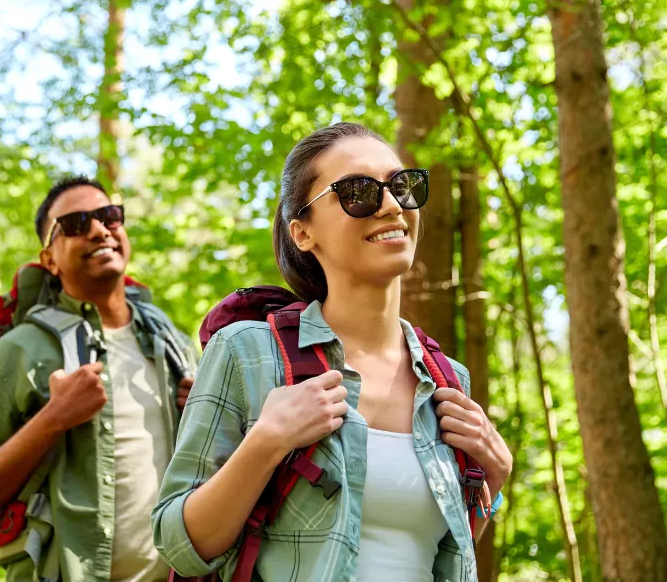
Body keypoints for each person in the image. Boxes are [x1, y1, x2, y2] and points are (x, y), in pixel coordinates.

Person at [152, 123, 512, 582]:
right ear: (302, 232)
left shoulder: (448, 380)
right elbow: (178, 545)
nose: (390, 204)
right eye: (357, 191)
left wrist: (492, 483)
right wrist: (267, 441)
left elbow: (437, 554)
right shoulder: (248, 352)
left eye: (402, 186)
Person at [0, 175, 197, 581]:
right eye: (77, 224)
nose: (99, 229)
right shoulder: (20, 350)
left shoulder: (174, 345)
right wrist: (54, 417)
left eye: (109, 216)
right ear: (49, 260)